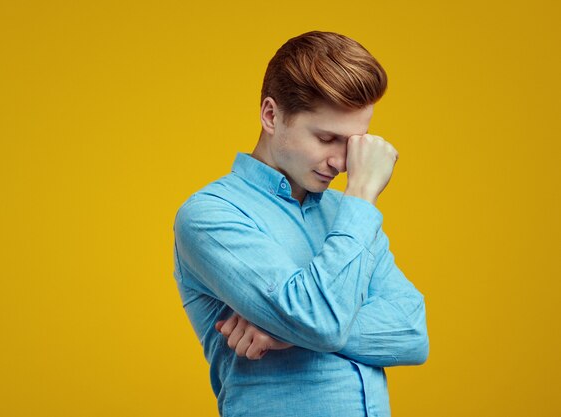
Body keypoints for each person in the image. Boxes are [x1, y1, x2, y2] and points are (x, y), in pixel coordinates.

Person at [173, 30, 429, 417]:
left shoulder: (348, 214)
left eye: (353, 144)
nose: (342, 163)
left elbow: (412, 334)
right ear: (271, 115)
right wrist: (310, 325)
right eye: (327, 138)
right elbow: (320, 323)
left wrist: (289, 330)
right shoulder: (211, 214)